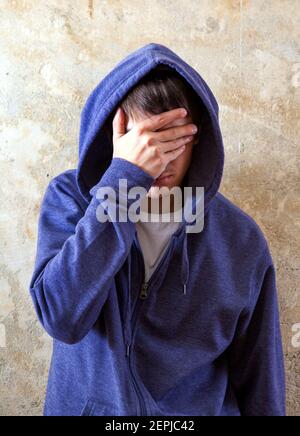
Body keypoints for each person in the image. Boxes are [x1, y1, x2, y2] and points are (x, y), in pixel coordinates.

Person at [29, 43, 286, 416]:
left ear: (198, 137)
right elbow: (62, 318)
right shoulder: (72, 199)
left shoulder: (240, 239)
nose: (160, 160)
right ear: (117, 139)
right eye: (146, 142)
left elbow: (260, 375)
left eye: (174, 140)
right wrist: (123, 182)